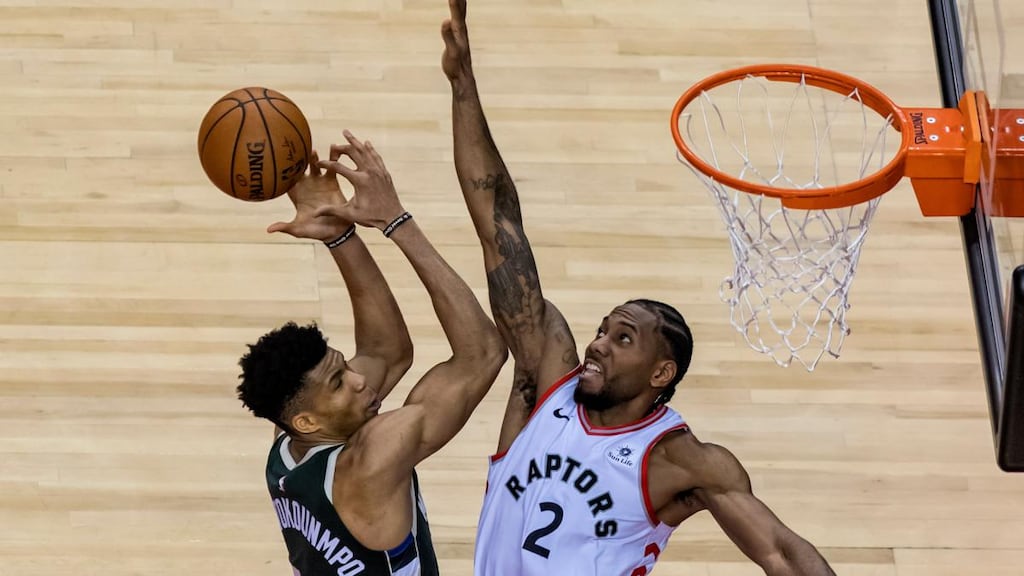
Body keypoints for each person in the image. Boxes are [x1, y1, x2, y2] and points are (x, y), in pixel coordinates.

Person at [438, 2, 836, 575]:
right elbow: (497, 221)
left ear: (660, 373)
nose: (597, 343)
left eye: (623, 338)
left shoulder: (678, 461)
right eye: (604, 329)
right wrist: (462, 85)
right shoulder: (544, 378)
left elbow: (780, 552)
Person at [236, 131, 508, 576]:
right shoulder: (371, 463)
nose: (361, 379)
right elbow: (482, 354)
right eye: (339, 383)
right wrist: (395, 221)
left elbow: (387, 350)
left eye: (344, 368)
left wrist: (340, 236)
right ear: (308, 420)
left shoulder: (289, 441)